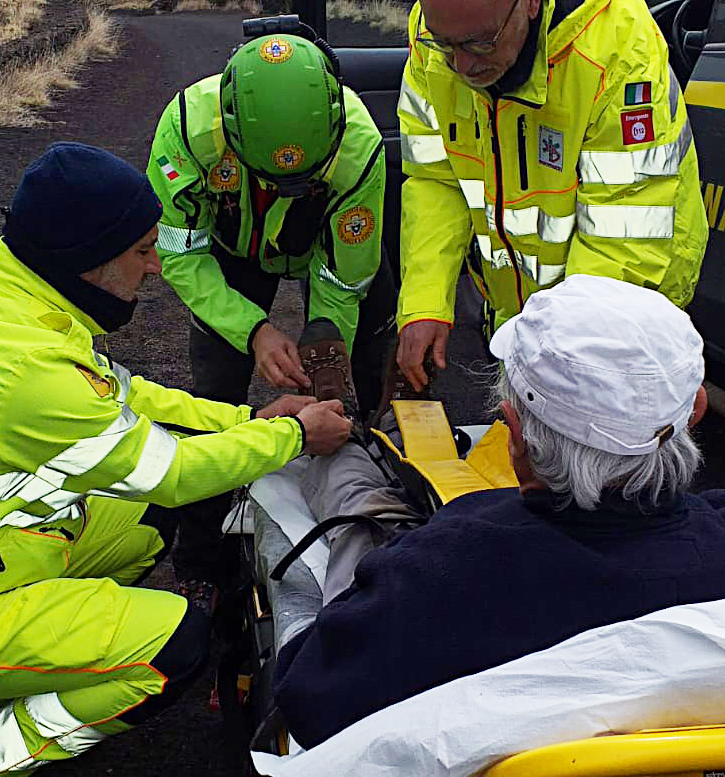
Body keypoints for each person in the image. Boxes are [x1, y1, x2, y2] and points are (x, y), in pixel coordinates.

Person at [0, 142, 354, 777]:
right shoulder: (27, 370)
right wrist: (292, 439)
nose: (154, 268)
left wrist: (251, 420)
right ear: (87, 261)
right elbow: (171, 472)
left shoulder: (3, 300)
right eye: (141, 251)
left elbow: (133, 398)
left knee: (144, 518)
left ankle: (14, 676)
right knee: (176, 646)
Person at [271, 274, 725, 748]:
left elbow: (307, 695)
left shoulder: (441, 570)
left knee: (362, 508)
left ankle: (338, 427)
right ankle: (387, 425)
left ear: (514, 432)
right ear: (693, 410)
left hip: (435, 573)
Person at [147, 29, 393, 601]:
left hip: (323, 253)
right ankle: (202, 560)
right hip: (232, 257)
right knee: (215, 398)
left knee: (348, 378)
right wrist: (253, 330)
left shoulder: (358, 149)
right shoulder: (186, 132)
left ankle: (363, 511)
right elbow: (181, 256)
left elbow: (343, 279)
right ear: (231, 135)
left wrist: (326, 361)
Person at [396, 0, 707, 393]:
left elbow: (620, 242)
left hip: (620, 307)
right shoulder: (434, 30)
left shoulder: (617, 47)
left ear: (528, 4)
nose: (461, 65)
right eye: (445, 45)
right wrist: (424, 302)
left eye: (480, 44)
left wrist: (553, 368)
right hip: (519, 310)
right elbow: (435, 179)